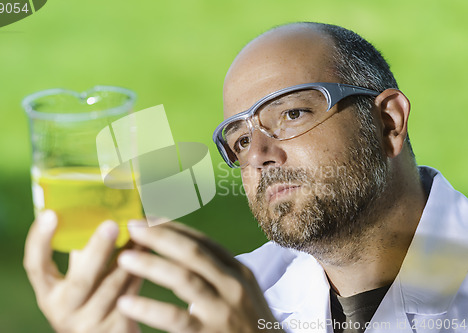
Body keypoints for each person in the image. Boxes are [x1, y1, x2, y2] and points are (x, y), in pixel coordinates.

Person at [24, 22, 468, 333]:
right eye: (238, 141)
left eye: (292, 114)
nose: (257, 155)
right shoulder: (247, 290)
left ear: (388, 122)